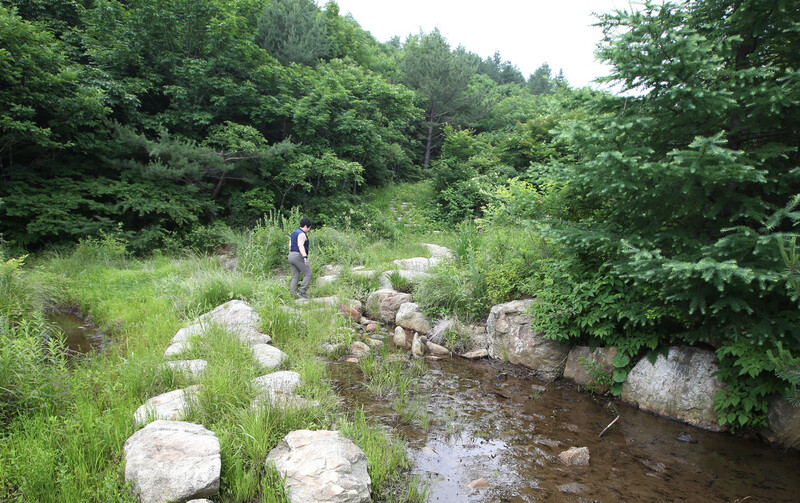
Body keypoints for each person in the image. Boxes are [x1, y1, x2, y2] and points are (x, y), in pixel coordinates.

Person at [288, 217, 313, 299]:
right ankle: (302, 291)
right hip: (298, 255)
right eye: (309, 228)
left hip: (291, 255)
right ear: (306, 226)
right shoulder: (302, 234)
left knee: (296, 276)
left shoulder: (294, 233)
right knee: (308, 273)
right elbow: (300, 245)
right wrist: (305, 257)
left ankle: (292, 294)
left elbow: (290, 245)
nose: (309, 230)